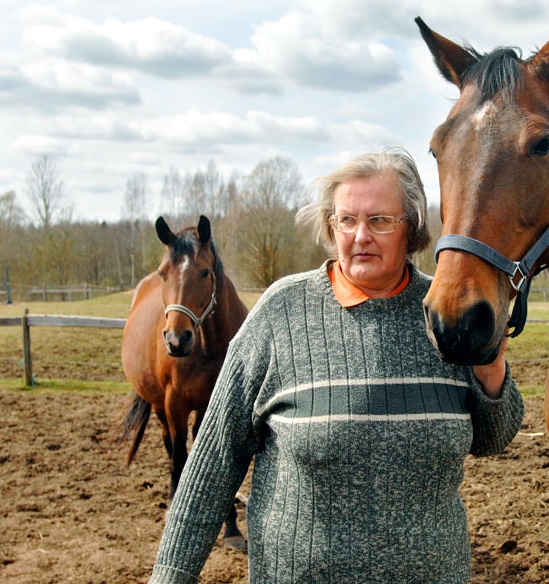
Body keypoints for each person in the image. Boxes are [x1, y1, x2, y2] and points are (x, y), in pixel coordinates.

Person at [148, 147, 524, 583]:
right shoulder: (281, 314)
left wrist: (489, 362)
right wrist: (171, 576)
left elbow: (494, 437)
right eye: (347, 220)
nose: (360, 235)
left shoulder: (444, 313)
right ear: (331, 227)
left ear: (412, 229)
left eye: (379, 221)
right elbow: (214, 460)